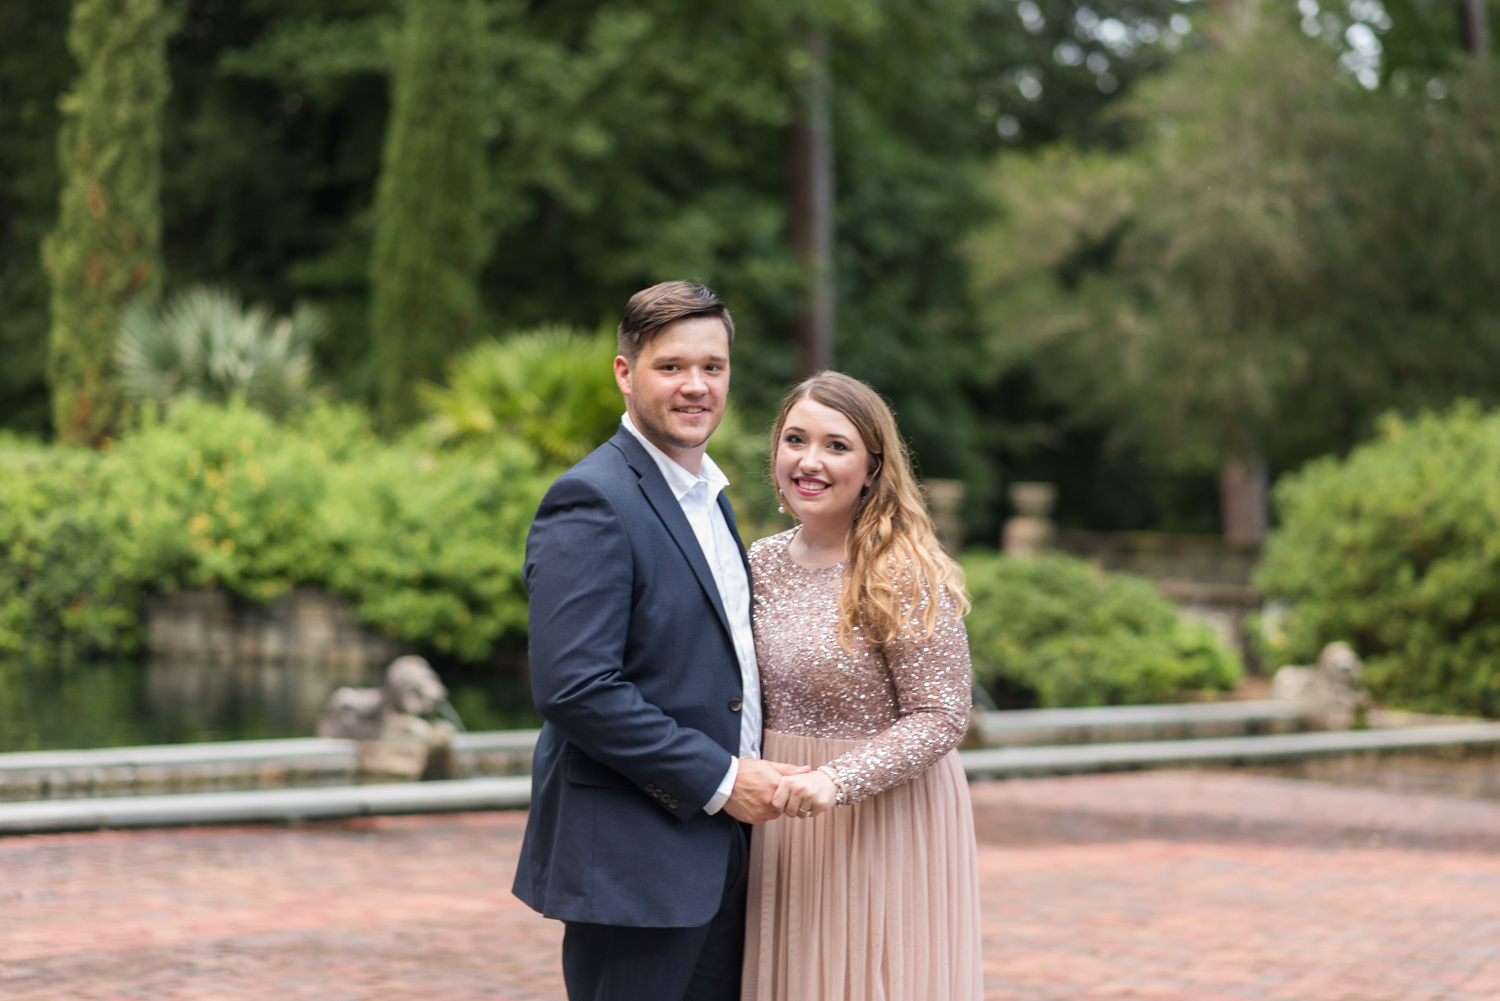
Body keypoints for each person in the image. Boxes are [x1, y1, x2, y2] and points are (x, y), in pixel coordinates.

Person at [513, 281, 805, 1001]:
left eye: (713, 366)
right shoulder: (591, 499)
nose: (696, 386)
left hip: (723, 856)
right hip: (632, 861)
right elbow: (575, 687)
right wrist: (725, 778)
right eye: (672, 366)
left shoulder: (713, 498)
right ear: (625, 372)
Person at [742, 371, 984, 1000]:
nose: (810, 461)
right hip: (777, 810)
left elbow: (941, 714)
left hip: (880, 811)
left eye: (836, 445)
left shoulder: (902, 570)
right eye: (795, 439)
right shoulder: (757, 561)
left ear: (874, 467)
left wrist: (836, 780)